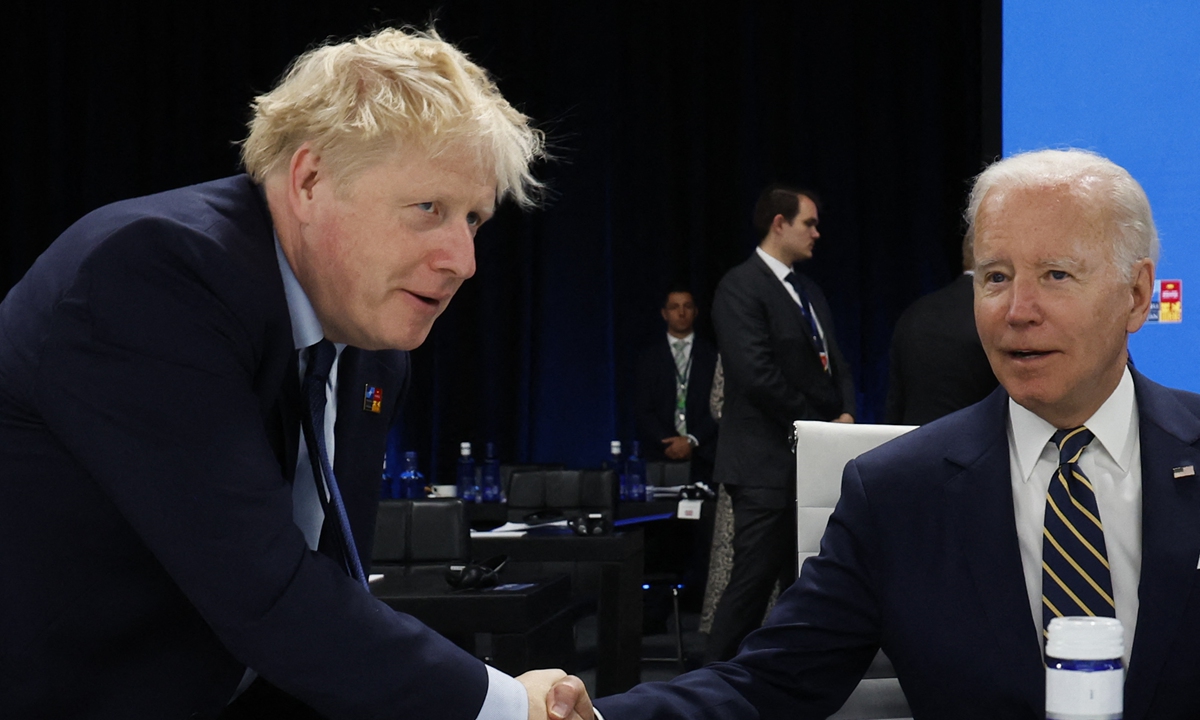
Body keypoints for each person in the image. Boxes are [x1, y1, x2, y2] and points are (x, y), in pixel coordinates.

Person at [0, 28, 591, 720]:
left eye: (474, 219)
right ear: (310, 180)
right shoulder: (150, 276)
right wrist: (509, 706)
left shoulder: (372, 344)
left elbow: (329, 594)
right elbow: (267, 594)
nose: (462, 260)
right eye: (428, 209)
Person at [584, 148, 1200, 720]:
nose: (1017, 311)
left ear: (1138, 295)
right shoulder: (897, 492)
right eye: (995, 277)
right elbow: (766, 685)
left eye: (1057, 275)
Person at [704, 185, 856, 665]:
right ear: (778, 223)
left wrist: (846, 413)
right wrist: (822, 424)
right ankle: (707, 686)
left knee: (803, 582)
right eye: (808, 223)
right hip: (763, 463)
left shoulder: (807, 290)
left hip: (809, 459)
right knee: (752, 581)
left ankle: (787, 685)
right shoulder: (740, 285)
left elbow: (836, 363)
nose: (816, 233)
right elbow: (754, 376)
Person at [885, 233, 998, 424]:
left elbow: (894, 405)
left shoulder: (914, 313)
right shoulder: (998, 316)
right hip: (975, 446)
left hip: (911, 446)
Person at [633, 287, 719, 484]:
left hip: (705, 456)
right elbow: (642, 409)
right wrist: (670, 441)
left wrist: (692, 440)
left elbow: (721, 405)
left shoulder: (713, 356)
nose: (681, 313)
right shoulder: (648, 358)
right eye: (674, 307)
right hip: (660, 455)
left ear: (696, 312)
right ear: (664, 313)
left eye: (687, 306)